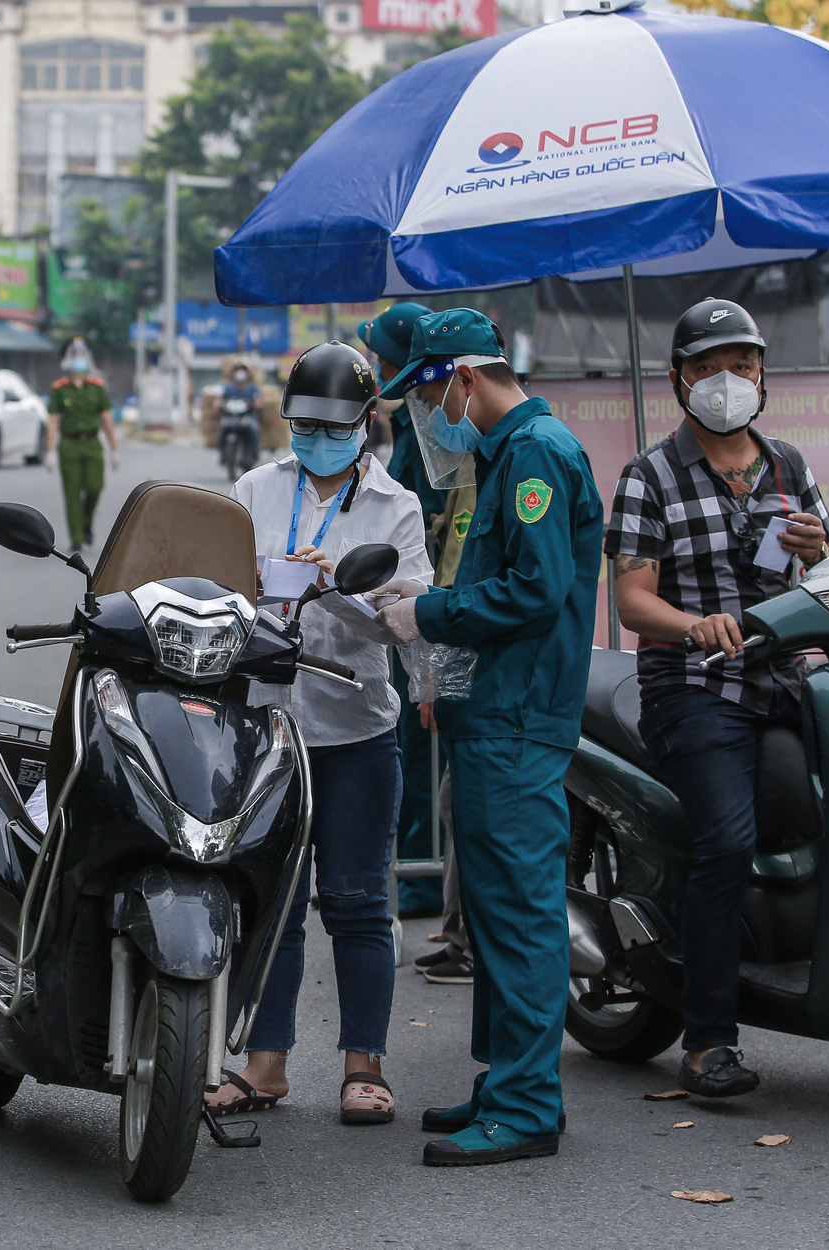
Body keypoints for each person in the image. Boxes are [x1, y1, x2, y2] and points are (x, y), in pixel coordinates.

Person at [371, 307, 603, 1166]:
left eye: (428, 393)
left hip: (519, 715)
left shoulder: (537, 453)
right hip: (493, 706)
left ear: (465, 377)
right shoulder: (506, 454)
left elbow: (534, 592)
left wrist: (423, 614)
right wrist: (442, 671)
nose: (426, 413)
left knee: (518, 912)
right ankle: (509, 1077)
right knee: (501, 909)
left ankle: (528, 1104)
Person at [605, 299, 829, 1097]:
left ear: (763, 376)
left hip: (787, 678)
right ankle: (706, 1042)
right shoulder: (650, 475)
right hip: (694, 688)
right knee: (727, 845)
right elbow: (633, 600)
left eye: (741, 365)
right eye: (708, 368)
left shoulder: (788, 466)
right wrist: (694, 624)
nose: (727, 381)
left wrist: (824, 548)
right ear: (680, 381)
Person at [207, 340, 433, 1127]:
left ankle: (364, 1065)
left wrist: (334, 590)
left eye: (333, 425)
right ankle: (265, 1065)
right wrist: (264, 585)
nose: (317, 436)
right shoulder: (254, 488)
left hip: (356, 730)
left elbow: (404, 627)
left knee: (358, 899)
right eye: (303, 423)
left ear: (367, 422)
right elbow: (218, 588)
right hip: (265, 723)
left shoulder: (395, 507)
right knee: (272, 899)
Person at [358, 301, 466, 972]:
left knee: (424, 751)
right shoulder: (409, 426)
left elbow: (438, 536)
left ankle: (423, 882)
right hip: (412, 614)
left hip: (431, 617)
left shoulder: (440, 435)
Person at [43, 339, 119, 554]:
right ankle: (77, 537)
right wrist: (49, 451)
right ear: (68, 359)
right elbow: (54, 421)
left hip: (93, 443)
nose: (78, 358)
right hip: (69, 444)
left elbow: (106, 418)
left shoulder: (97, 387)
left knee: (95, 487)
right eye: (74, 354)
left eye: (81, 354)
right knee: (72, 492)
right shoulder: (59, 389)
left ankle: (86, 525)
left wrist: (114, 448)